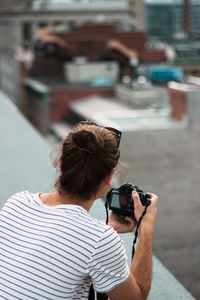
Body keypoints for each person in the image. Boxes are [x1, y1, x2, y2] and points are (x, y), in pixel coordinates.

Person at [0, 121, 158, 300]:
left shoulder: (18, 202)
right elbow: (135, 298)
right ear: (109, 177)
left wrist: (106, 228)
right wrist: (146, 227)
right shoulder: (100, 241)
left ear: (60, 164)